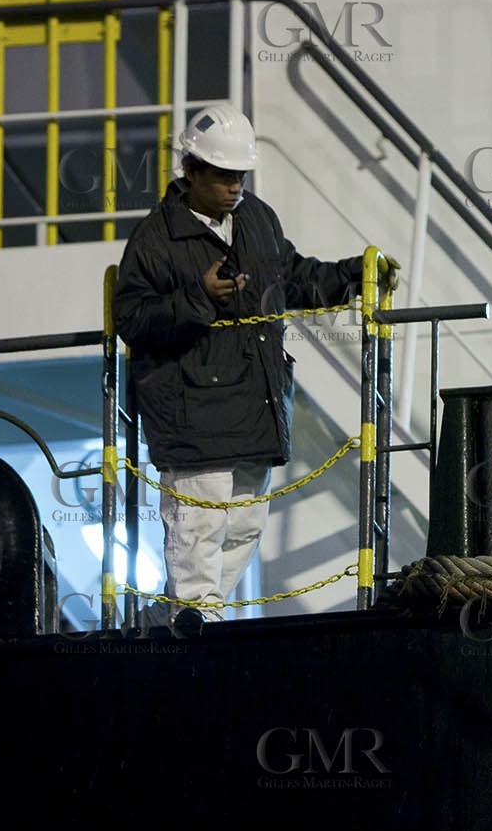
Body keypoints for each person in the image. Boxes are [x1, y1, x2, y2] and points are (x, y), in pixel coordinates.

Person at [113, 102, 396, 631]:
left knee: (243, 525)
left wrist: (356, 275)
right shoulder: (154, 239)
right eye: (222, 175)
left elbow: (290, 277)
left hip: (252, 405)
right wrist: (199, 297)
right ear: (190, 171)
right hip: (194, 413)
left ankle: (185, 623)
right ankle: (194, 627)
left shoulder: (257, 220)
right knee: (198, 527)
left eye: (239, 175)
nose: (234, 186)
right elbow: (131, 317)